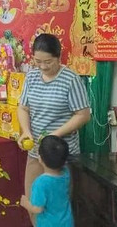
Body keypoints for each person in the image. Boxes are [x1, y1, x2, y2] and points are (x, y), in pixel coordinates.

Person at [17, 34, 91, 204]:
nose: (42, 66)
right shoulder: (32, 77)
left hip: (61, 155)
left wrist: (54, 135)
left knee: (59, 204)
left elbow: (83, 115)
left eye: (48, 62)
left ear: (59, 57)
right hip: (35, 152)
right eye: (37, 61)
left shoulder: (71, 80)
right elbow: (23, 108)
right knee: (33, 201)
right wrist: (26, 132)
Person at [20, 135, 76, 227]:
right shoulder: (66, 174)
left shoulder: (41, 183)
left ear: (40, 158)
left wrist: (26, 203)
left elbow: (37, 208)